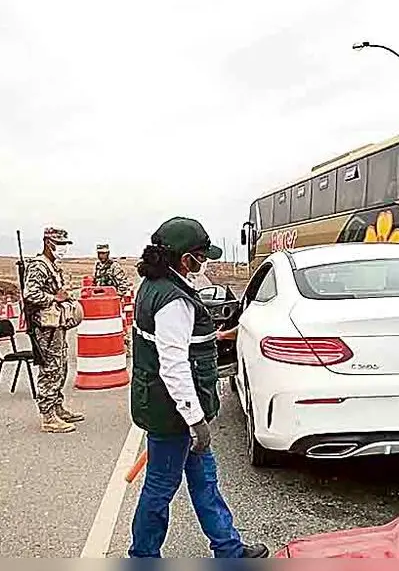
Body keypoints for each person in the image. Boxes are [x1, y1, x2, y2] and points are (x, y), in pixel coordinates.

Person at [128, 216, 268, 559]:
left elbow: (173, 343)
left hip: (165, 405)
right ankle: (143, 555)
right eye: (201, 256)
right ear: (184, 257)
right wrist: (194, 419)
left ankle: (229, 548)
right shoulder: (173, 300)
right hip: (174, 413)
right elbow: (173, 364)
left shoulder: (154, 285)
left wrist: (214, 337)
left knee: (205, 480)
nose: (203, 262)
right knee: (161, 488)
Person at [23, 227, 84, 433]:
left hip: (56, 324)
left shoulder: (52, 266)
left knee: (61, 366)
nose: (64, 248)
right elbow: (30, 294)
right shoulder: (39, 266)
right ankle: (48, 416)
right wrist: (53, 298)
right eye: (61, 244)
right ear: (48, 243)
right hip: (45, 326)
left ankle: (57, 406)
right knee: (50, 369)